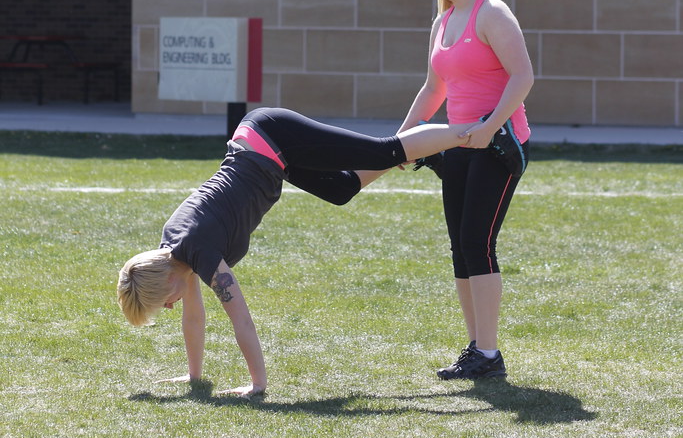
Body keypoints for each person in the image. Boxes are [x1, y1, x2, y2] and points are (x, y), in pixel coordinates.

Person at [117, 106, 477, 397]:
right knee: (340, 189)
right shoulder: (174, 253)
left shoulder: (200, 252)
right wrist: (194, 376)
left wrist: (257, 385)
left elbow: (241, 319)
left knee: (385, 150)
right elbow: (194, 317)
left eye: (162, 302)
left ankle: (481, 129)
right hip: (268, 153)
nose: (169, 306)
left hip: (273, 136)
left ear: (166, 281)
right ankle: (426, 149)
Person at [398, 0, 534, 380]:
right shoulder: (442, 20)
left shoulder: (492, 14)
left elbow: (523, 77)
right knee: (461, 246)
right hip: (457, 143)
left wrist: (489, 127)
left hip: (499, 144)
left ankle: (489, 355)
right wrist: (401, 140)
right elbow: (433, 88)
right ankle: (477, 349)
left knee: (479, 242)